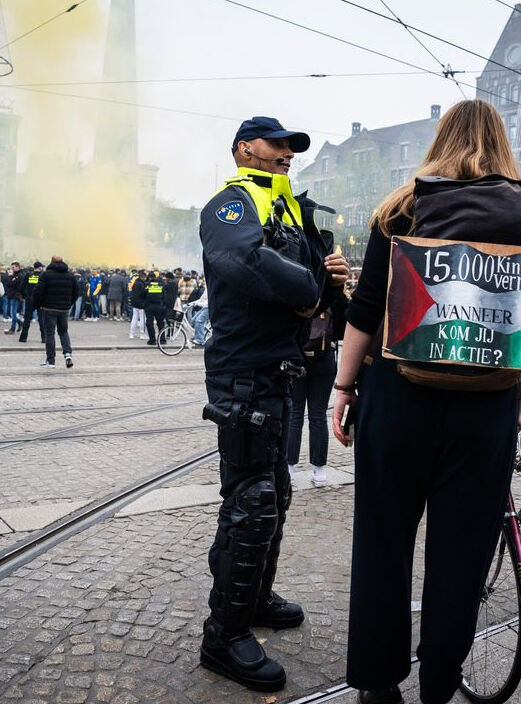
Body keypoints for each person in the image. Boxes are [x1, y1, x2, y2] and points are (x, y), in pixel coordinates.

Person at [331, 100, 521, 704]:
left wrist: (344, 387)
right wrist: (510, 406)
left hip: (399, 396)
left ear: (441, 139)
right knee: (461, 556)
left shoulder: (403, 206)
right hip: (484, 409)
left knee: (382, 541)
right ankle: (440, 684)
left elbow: (365, 307)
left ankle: (379, 685)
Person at [198, 115, 349, 691]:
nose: (288, 153)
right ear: (245, 149)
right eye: (277, 144)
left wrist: (332, 278)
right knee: (253, 498)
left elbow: (315, 289)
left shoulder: (289, 210)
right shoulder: (232, 203)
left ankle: (253, 598)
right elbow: (245, 262)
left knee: (272, 492)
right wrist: (313, 291)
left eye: (292, 147)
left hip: (281, 367)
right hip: (243, 370)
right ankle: (223, 635)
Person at [286, 290, 348, 486]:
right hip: (325, 358)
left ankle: (289, 468)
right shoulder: (337, 295)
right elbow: (342, 330)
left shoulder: (297, 287)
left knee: (295, 412)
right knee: (318, 415)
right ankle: (319, 471)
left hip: (297, 356)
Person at [33, 256, 79, 369]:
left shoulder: (46, 275)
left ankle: (51, 361)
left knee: (50, 334)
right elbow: (76, 293)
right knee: (63, 332)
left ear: (51, 262)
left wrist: (38, 305)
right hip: (63, 309)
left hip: (48, 308)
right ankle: (68, 355)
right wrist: (68, 304)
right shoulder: (70, 276)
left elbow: (39, 291)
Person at [19, 262, 45, 343]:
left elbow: (21, 287)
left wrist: (24, 296)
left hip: (30, 299)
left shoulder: (28, 275)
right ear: (40, 267)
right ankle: (44, 338)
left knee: (27, 318)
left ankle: (23, 338)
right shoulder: (43, 276)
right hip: (41, 300)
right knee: (41, 319)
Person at [142, 272, 166, 345]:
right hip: (159, 306)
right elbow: (164, 295)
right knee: (160, 323)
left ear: (149, 277)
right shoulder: (161, 285)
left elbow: (142, 295)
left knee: (149, 323)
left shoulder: (146, 285)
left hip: (149, 306)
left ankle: (152, 340)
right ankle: (162, 340)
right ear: (155, 277)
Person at [129, 270, 148, 340]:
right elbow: (144, 294)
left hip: (135, 303)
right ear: (143, 277)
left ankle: (131, 334)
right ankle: (142, 335)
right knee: (143, 320)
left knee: (134, 319)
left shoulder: (135, 283)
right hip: (141, 304)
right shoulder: (143, 284)